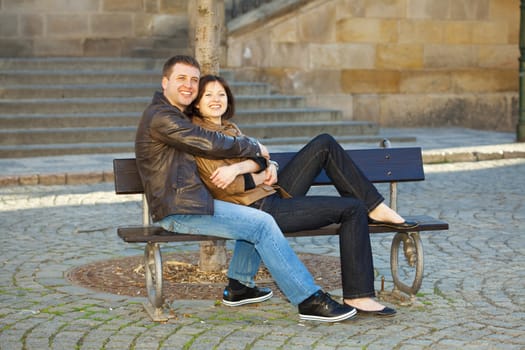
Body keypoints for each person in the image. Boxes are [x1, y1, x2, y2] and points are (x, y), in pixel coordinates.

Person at [134, 55, 356, 323]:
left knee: (252, 219)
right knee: (262, 223)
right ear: (165, 82)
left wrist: (263, 160)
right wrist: (252, 146)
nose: (189, 85)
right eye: (181, 78)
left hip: (193, 202)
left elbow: (222, 146)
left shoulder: (174, 114)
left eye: (193, 79)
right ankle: (308, 299)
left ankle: (239, 287)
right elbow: (210, 143)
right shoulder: (162, 117)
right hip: (180, 209)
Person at [188, 74, 420, 317]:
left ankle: (374, 206)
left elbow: (261, 156)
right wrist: (257, 171)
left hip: (270, 193)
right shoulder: (200, 137)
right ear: (196, 103)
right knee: (353, 209)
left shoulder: (229, 128)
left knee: (324, 144)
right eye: (208, 95)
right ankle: (358, 295)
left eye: (221, 94)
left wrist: (268, 166)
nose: (216, 100)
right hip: (259, 209)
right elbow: (227, 187)